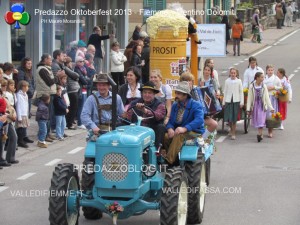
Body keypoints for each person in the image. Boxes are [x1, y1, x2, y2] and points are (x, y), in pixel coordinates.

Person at [163, 81, 205, 166]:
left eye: (179, 93)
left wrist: (185, 128)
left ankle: (169, 161)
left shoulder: (196, 105)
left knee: (179, 136)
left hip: (193, 131)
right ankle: (175, 161)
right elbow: (170, 121)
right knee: (166, 136)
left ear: (185, 95)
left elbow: (199, 120)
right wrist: (170, 128)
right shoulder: (175, 105)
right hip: (179, 130)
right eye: (176, 93)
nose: (176, 95)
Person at [126, 81, 166, 148]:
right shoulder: (134, 103)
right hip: (136, 128)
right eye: (145, 92)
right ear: (142, 93)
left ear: (154, 94)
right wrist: (127, 115)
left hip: (152, 130)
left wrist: (145, 111)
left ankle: (156, 152)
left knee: (161, 127)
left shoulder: (160, 105)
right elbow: (128, 115)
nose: (147, 95)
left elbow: (158, 116)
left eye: (149, 93)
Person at [180, 72, 218, 140]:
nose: (188, 83)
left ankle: (201, 139)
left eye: (190, 81)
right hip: (187, 117)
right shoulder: (180, 92)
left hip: (198, 117)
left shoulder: (197, 90)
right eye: (186, 81)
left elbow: (206, 102)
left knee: (214, 124)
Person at [247, 72, 274, 142]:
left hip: (262, 105)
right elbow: (249, 98)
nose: (263, 78)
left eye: (263, 77)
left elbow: (267, 97)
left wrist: (271, 108)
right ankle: (260, 134)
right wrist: (248, 109)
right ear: (257, 78)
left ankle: (259, 134)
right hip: (255, 105)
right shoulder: (252, 86)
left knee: (261, 120)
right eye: (261, 77)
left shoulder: (264, 86)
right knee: (258, 120)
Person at [35, 53, 57, 142]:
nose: (51, 61)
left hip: (49, 93)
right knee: (45, 116)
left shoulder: (46, 68)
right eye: (50, 59)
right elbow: (50, 82)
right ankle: (44, 135)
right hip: (45, 95)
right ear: (45, 60)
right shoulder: (42, 69)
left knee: (49, 115)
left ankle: (48, 133)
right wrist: (57, 76)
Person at [222, 68, 244, 140]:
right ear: (230, 73)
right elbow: (225, 91)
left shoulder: (239, 81)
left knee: (234, 118)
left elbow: (241, 92)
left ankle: (233, 133)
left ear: (236, 74)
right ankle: (231, 129)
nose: (233, 74)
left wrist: (241, 102)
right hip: (228, 101)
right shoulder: (227, 81)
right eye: (232, 73)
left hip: (236, 101)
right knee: (229, 118)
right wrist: (223, 102)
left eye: (234, 73)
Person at [1, 79, 18, 164]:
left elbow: (10, 106)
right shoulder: (4, 95)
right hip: (5, 118)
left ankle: (9, 158)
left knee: (12, 138)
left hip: (8, 119)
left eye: (5, 85)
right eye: (2, 85)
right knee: (4, 139)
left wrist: (13, 113)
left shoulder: (6, 94)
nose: (4, 87)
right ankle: (3, 159)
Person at [263, 65, 282, 137]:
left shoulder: (276, 78)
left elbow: (280, 87)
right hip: (265, 97)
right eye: (269, 70)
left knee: (271, 114)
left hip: (273, 98)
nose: (270, 72)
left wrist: (274, 87)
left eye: (271, 70)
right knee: (265, 113)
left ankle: (270, 131)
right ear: (266, 71)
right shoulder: (263, 78)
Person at [64, 56, 80, 130]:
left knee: (73, 107)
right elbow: (76, 76)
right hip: (71, 91)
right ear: (68, 63)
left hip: (74, 90)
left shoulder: (70, 69)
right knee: (73, 108)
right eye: (70, 62)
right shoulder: (67, 69)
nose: (71, 64)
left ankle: (70, 122)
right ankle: (69, 123)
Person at [74, 56, 90, 130]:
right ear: (76, 62)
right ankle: (80, 123)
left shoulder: (84, 69)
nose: (82, 62)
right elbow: (83, 79)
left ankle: (82, 122)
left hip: (84, 89)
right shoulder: (77, 69)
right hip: (80, 90)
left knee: (83, 107)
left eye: (83, 61)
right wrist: (86, 80)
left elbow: (88, 78)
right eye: (80, 61)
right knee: (81, 107)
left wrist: (86, 80)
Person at [16, 80, 30, 148]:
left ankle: (23, 139)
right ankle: (20, 141)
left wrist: (27, 113)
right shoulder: (19, 95)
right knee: (20, 128)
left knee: (24, 127)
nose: (28, 88)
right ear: (22, 87)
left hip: (25, 113)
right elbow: (18, 106)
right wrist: (19, 117)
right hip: (21, 114)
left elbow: (26, 105)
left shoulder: (25, 95)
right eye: (26, 86)